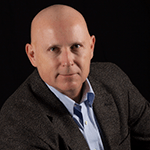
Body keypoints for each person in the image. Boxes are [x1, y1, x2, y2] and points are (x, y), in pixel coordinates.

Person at [0, 4, 150, 150]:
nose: (67, 61)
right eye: (54, 49)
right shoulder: (16, 121)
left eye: (76, 46)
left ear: (91, 47)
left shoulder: (114, 79)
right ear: (33, 55)